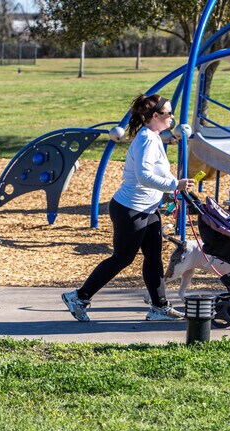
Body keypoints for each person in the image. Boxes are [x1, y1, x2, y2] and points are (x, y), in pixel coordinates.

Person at [62, 94, 194, 322]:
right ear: (155, 116)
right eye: (168, 113)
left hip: (148, 208)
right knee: (123, 258)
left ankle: (159, 307)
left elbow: (159, 172)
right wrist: (174, 185)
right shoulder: (146, 139)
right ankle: (79, 297)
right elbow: (144, 176)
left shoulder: (153, 136)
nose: (172, 117)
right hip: (130, 209)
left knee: (153, 257)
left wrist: (176, 189)